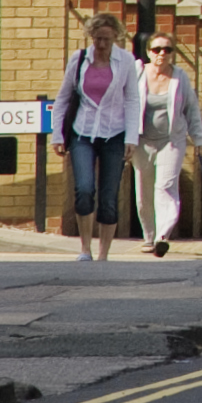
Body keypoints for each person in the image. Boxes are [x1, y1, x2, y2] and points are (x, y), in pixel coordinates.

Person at [53, 14, 136, 261]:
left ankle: (104, 254)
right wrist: (57, 135)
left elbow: (132, 99)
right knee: (84, 188)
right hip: (83, 132)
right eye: (98, 39)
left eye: (107, 40)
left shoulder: (126, 61)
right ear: (91, 36)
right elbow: (63, 98)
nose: (101, 45)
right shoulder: (79, 60)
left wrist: (132, 137)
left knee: (109, 195)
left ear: (115, 38)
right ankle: (85, 248)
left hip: (115, 133)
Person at [127, 33, 202, 260]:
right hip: (142, 141)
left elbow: (191, 109)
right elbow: (126, 104)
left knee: (166, 186)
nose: (162, 54)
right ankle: (148, 237)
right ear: (149, 52)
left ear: (173, 54)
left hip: (171, 141)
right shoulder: (138, 74)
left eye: (167, 50)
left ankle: (163, 236)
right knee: (144, 190)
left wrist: (198, 139)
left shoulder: (180, 78)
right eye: (157, 49)